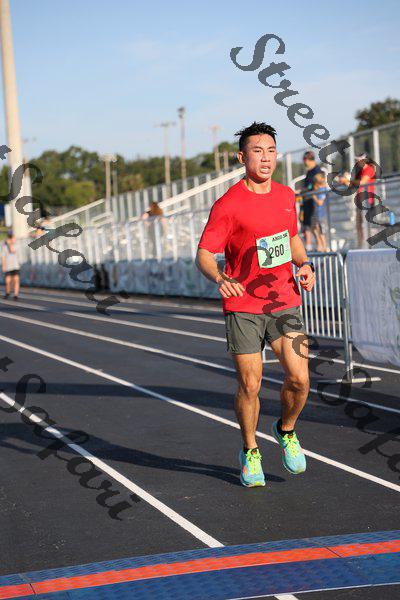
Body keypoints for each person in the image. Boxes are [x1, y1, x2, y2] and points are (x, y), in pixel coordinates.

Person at [196, 122, 315, 488]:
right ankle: (250, 450)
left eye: (271, 151)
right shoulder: (228, 204)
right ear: (242, 157)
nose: (265, 158)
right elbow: (204, 254)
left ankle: (286, 429)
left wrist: (304, 264)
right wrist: (220, 277)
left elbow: (291, 237)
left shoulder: (285, 195)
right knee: (250, 384)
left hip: (283, 300)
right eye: (257, 151)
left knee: (300, 379)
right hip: (244, 306)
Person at [352, 154, 376, 247]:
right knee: (358, 225)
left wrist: (349, 181)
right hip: (360, 200)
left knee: (366, 225)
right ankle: (361, 246)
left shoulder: (369, 169)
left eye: (358, 160)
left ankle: (368, 246)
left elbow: (362, 182)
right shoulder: (360, 171)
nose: (356, 162)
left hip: (367, 201)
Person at [300, 151, 323, 251]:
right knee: (307, 224)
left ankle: (321, 246)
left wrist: (302, 191)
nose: (304, 163)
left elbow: (314, 187)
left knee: (315, 225)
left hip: (314, 203)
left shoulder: (317, 171)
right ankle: (308, 246)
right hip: (307, 201)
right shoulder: (309, 172)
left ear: (308, 160)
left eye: (305, 160)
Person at [312, 172, 329, 252]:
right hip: (318, 213)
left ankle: (324, 246)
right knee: (316, 229)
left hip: (321, 213)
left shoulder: (322, 190)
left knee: (321, 230)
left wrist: (314, 197)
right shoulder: (319, 189)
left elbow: (320, 202)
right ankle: (320, 245)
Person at [2, 230, 20, 300]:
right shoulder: (4, 245)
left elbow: (12, 250)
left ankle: (16, 295)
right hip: (8, 266)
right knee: (8, 281)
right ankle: (7, 292)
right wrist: (3, 266)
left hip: (15, 265)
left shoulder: (16, 244)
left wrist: (11, 243)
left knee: (16, 280)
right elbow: (3, 256)